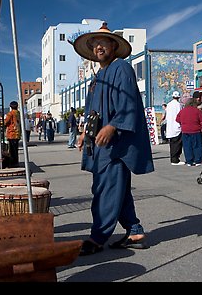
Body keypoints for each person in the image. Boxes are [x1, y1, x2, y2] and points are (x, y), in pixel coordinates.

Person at [72, 22, 154, 256]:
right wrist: (83, 132)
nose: (98, 46)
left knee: (105, 188)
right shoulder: (98, 77)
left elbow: (129, 104)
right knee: (117, 188)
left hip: (114, 142)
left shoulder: (122, 69)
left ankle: (98, 236)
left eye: (103, 42)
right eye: (94, 43)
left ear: (114, 46)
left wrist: (112, 126)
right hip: (98, 140)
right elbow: (91, 110)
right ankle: (134, 230)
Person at [175, 98, 202, 167]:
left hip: (185, 130)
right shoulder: (197, 111)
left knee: (187, 146)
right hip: (195, 130)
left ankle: (189, 161)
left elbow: (177, 119)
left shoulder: (182, 111)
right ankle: (197, 160)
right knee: (197, 146)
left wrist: (183, 123)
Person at [166, 91, 184, 165]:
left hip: (170, 126)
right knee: (177, 144)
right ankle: (175, 159)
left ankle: (173, 158)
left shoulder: (169, 104)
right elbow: (180, 115)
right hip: (177, 126)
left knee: (172, 143)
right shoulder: (178, 105)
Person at [4, 101, 21, 167]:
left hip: (12, 133)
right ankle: (16, 162)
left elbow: (6, 122)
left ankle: (13, 163)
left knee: (12, 150)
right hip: (17, 133)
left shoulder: (10, 114)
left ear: (10, 107)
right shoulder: (18, 113)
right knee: (16, 149)